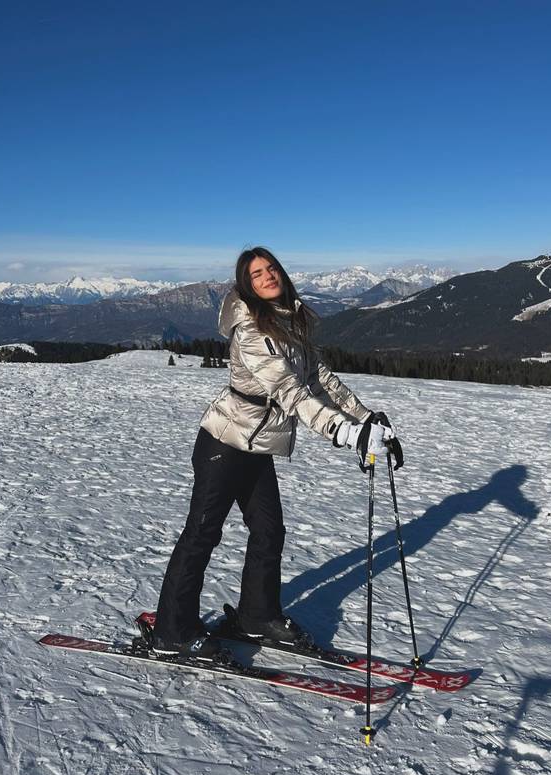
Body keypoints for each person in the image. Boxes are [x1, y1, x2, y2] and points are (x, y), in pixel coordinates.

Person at [152, 246, 401, 660]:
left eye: (271, 269)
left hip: (258, 445)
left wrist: (366, 419)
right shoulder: (251, 330)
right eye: (256, 274)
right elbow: (290, 391)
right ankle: (172, 631)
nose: (267, 276)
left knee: (269, 532)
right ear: (246, 286)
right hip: (224, 442)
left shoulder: (288, 320)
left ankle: (257, 616)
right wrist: (346, 434)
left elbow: (321, 381)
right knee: (202, 534)